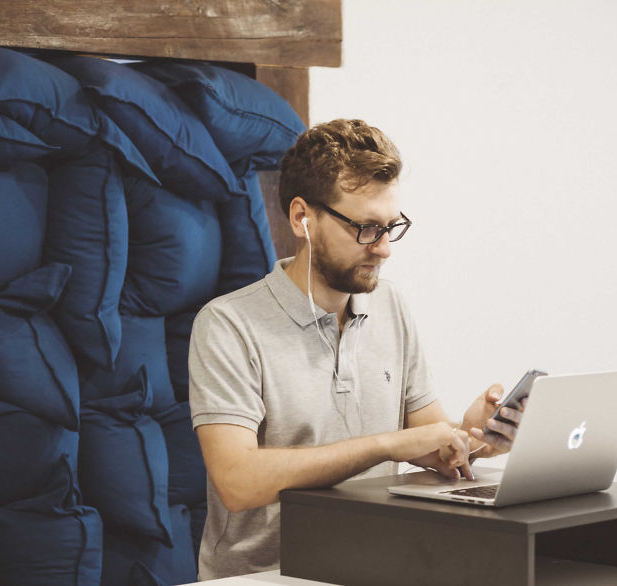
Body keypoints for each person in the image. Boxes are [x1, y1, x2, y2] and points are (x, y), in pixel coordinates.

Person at [188, 119, 525, 580]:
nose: (384, 249)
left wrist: (471, 437)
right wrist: (389, 444)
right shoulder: (228, 325)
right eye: (366, 228)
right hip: (270, 575)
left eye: (391, 227)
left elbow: (427, 442)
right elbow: (237, 482)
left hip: (379, 565)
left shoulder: (390, 306)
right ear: (302, 218)